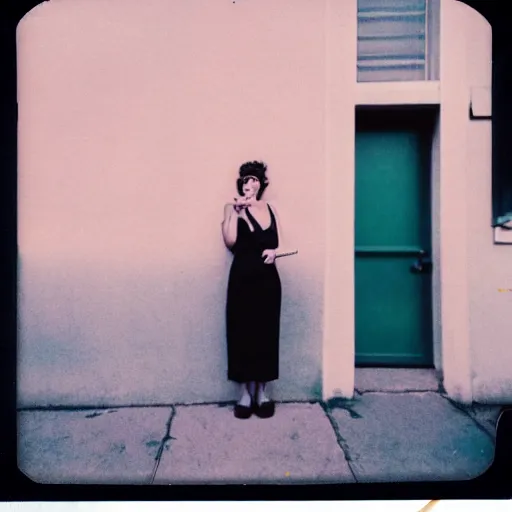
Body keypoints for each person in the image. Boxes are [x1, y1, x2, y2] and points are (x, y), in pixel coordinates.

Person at [221, 161, 283, 419]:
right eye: (246, 181)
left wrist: (275, 252)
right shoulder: (231, 207)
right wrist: (237, 213)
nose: (250, 185)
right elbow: (230, 241)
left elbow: (277, 243)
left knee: (266, 334)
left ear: (261, 184)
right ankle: (245, 393)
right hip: (242, 279)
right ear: (241, 184)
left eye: (255, 181)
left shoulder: (270, 209)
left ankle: (262, 392)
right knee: (242, 332)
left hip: (268, 280)